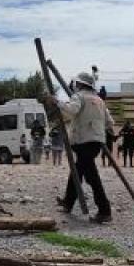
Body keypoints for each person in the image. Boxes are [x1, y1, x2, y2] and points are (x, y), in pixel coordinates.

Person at [47, 71, 114, 224]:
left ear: (80, 84)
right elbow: (110, 122)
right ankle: (68, 202)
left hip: (83, 141)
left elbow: (71, 110)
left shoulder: (78, 97)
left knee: (92, 177)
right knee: (77, 172)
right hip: (96, 141)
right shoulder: (99, 100)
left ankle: (105, 211)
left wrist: (56, 102)